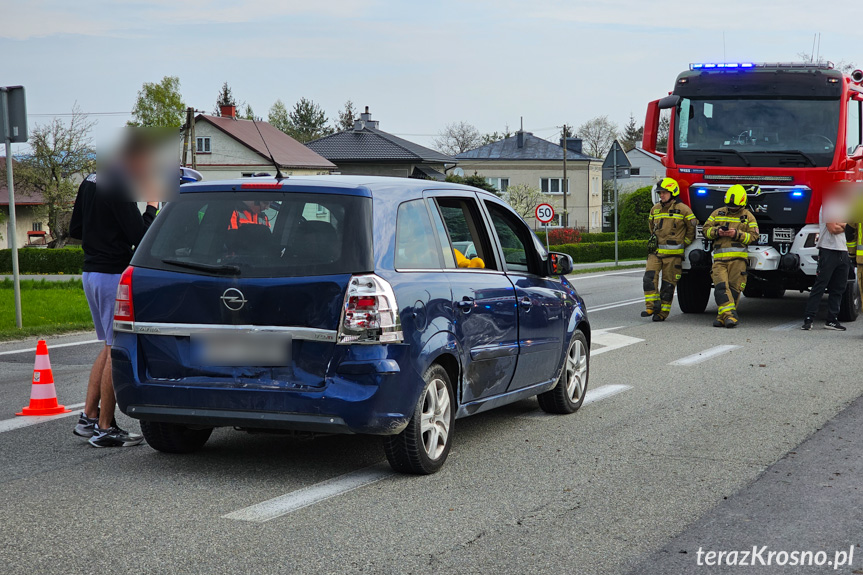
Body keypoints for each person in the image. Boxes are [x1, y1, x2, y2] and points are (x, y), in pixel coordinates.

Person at [69, 133, 161, 447]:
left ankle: (88, 418)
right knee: (114, 347)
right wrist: (152, 205)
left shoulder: (91, 180)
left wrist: (102, 237)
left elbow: (75, 229)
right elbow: (140, 235)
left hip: (90, 271)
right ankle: (105, 427)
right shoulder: (120, 186)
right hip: (111, 275)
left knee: (107, 345)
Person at [702, 184, 759, 328]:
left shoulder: (747, 216)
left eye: (735, 206)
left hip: (738, 260)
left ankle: (722, 317)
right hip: (719, 259)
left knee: (734, 290)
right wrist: (717, 232)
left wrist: (736, 234)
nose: (732, 208)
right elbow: (706, 230)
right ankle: (731, 316)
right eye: (730, 206)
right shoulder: (718, 213)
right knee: (721, 287)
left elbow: (754, 236)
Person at [641, 177, 697, 321]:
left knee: (668, 285)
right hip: (656, 253)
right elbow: (651, 227)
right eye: (660, 193)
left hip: (673, 256)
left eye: (664, 193)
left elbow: (691, 230)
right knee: (648, 278)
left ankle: (662, 313)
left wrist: (682, 244)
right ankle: (651, 306)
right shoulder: (655, 209)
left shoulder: (684, 210)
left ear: (673, 193)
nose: (661, 195)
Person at [801, 204, 851, 331]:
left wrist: (843, 225)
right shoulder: (828, 206)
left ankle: (832, 320)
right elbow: (833, 228)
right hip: (828, 250)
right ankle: (808, 318)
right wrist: (847, 226)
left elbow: (853, 228)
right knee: (820, 285)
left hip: (843, 251)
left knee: (839, 287)